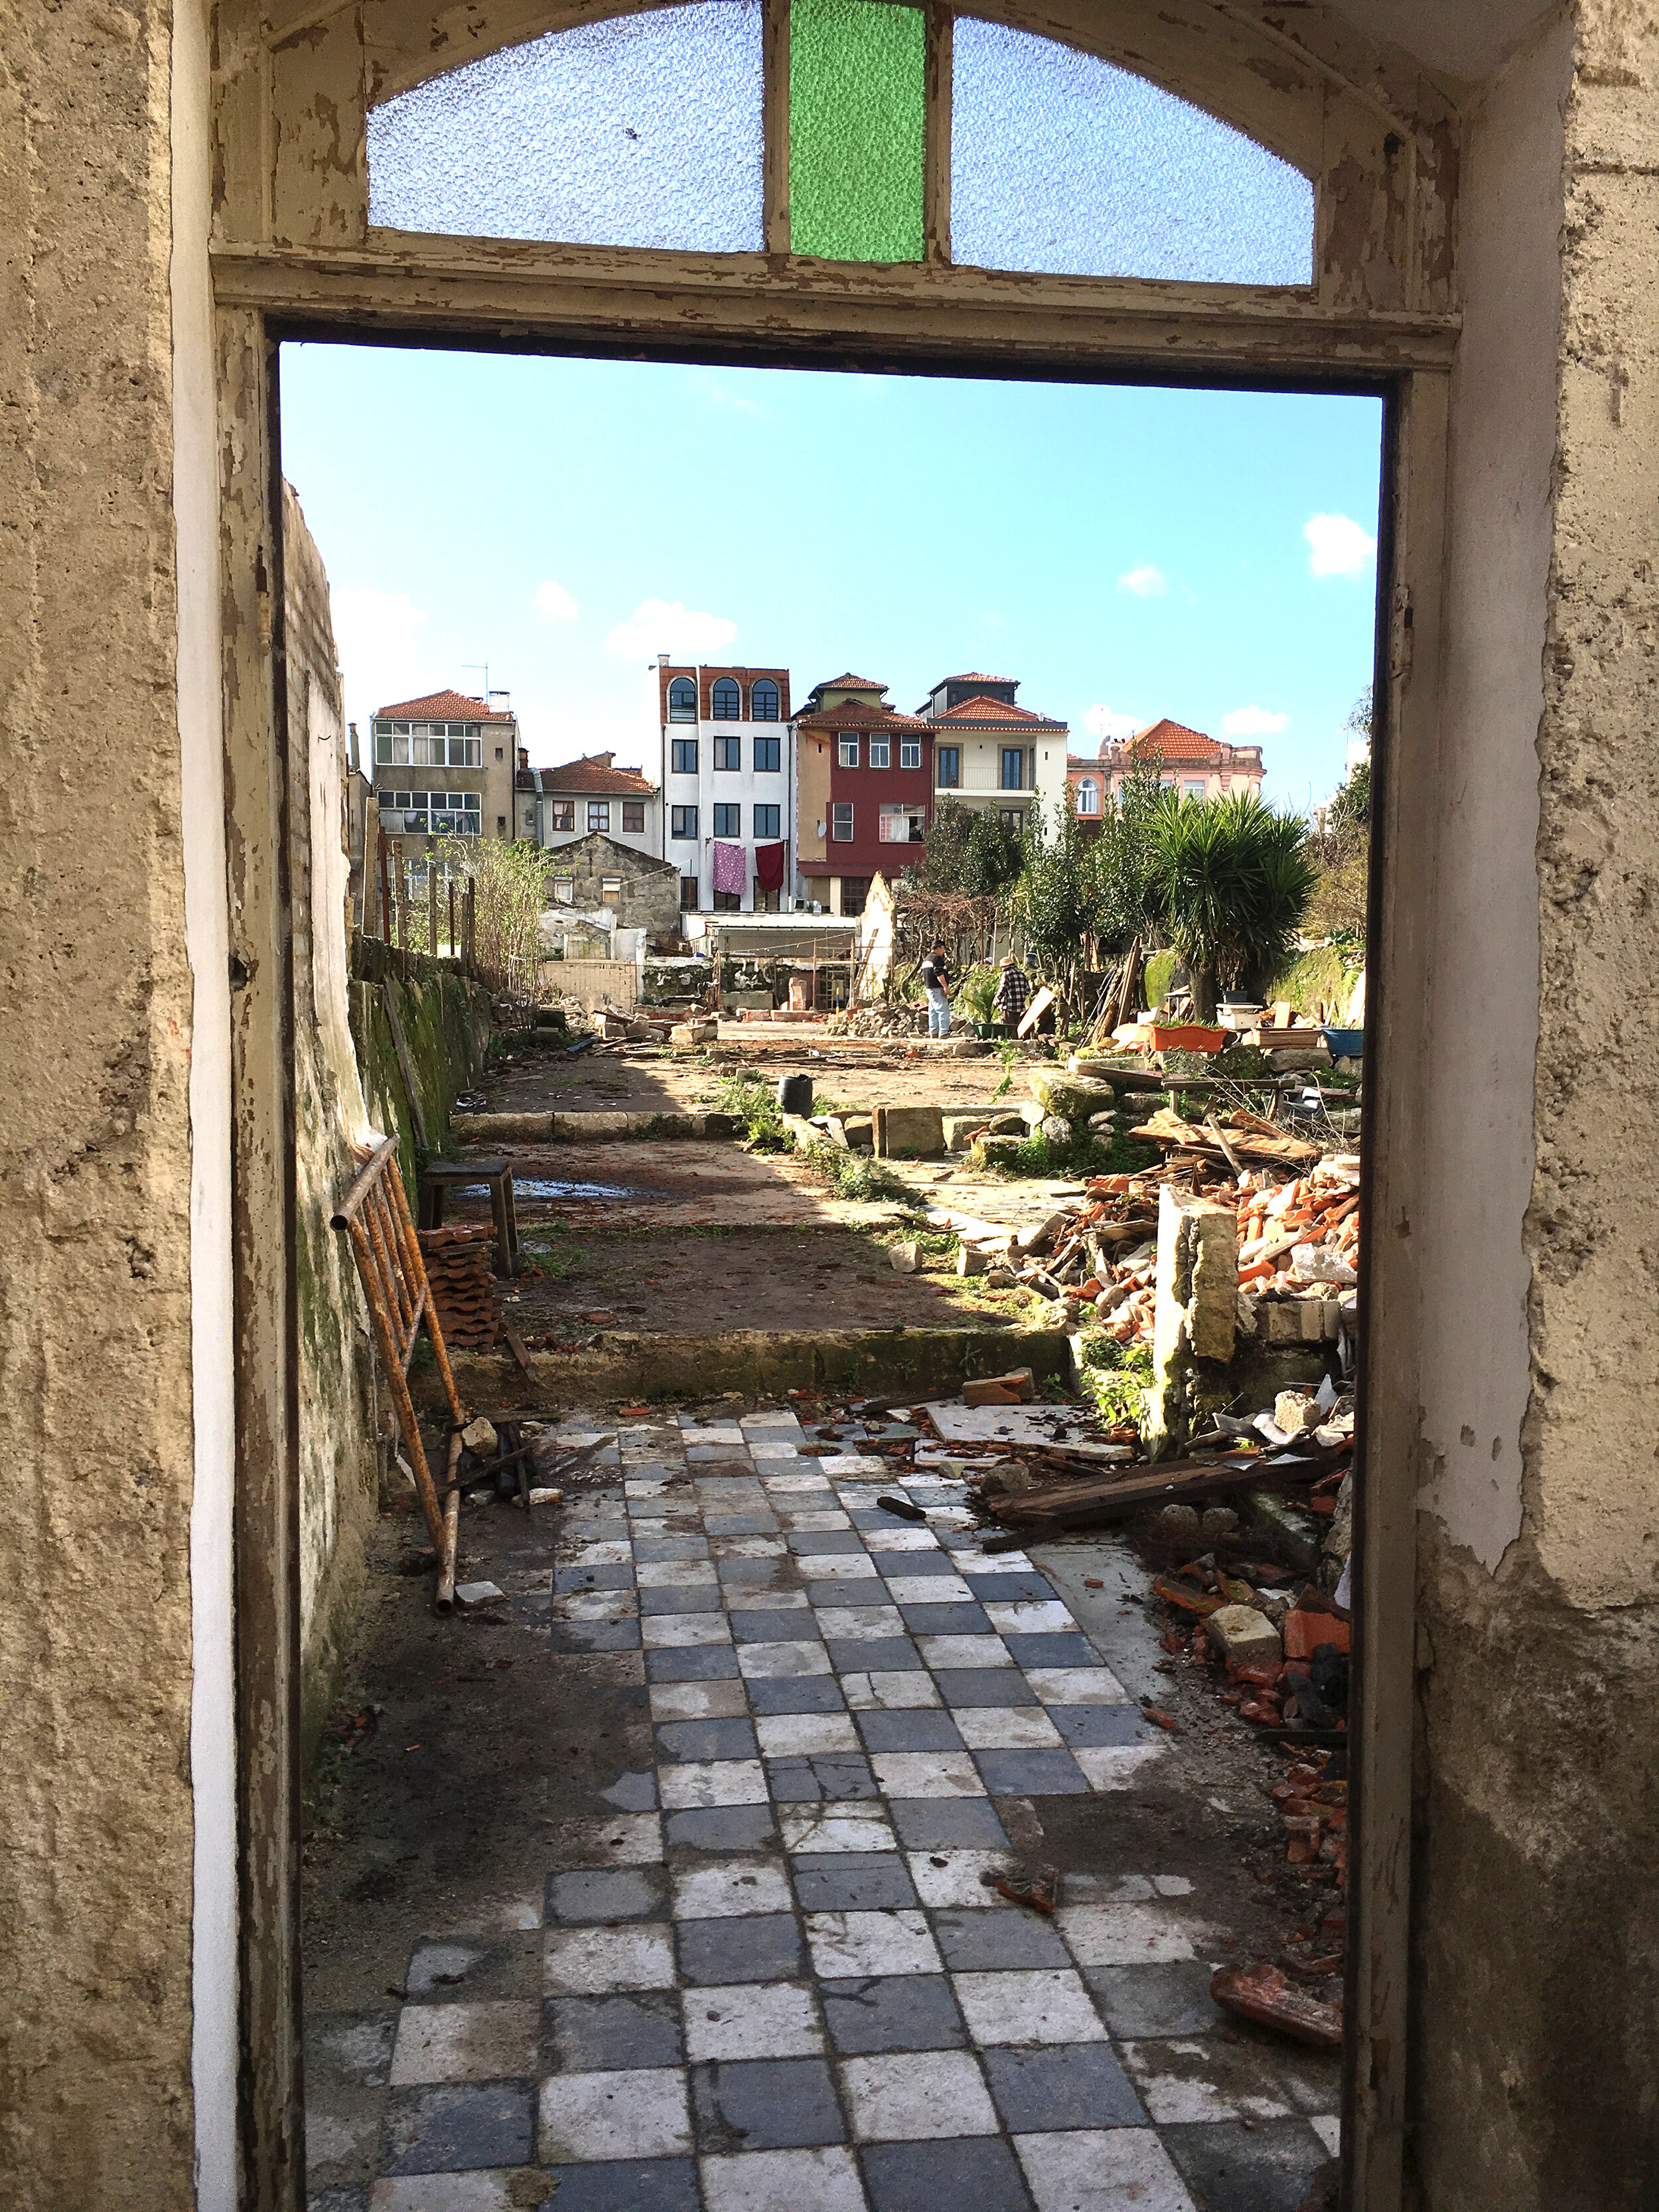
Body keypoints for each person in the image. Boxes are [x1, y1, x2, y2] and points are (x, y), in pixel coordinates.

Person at [918, 942, 952, 1037]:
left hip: (929, 989)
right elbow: (939, 974)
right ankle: (944, 1032)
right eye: (943, 949)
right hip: (937, 988)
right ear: (938, 948)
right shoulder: (937, 959)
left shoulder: (926, 959)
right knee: (943, 1010)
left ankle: (933, 1031)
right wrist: (945, 987)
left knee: (933, 1010)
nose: (944, 951)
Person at [993, 952, 1031, 1037]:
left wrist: (997, 1000)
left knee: (1008, 1029)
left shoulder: (1007, 974)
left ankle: (1011, 1046)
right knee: (1016, 1028)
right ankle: (1018, 1044)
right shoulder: (1022, 974)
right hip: (1019, 1007)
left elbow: (1002, 989)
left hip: (1009, 1006)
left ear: (1005, 966)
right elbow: (1028, 990)